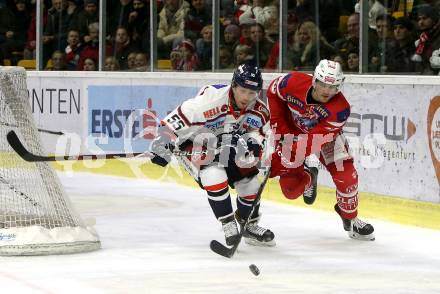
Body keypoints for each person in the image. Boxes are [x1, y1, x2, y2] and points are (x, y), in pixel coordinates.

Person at [150, 63, 275, 247]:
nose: (247, 97)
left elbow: (260, 135)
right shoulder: (209, 101)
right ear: (233, 86)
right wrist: (161, 143)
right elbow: (171, 124)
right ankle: (228, 223)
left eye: (252, 92)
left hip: (225, 147)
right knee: (213, 174)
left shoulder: (260, 111)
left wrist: (255, 145)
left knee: (250, 183)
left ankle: (248, 224)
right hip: (195, 143)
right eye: (243, 90)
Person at [266, 59, 375, 241]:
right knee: (290, 191)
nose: (326, 91)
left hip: (324, 139)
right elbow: (272, 92)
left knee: (347, 178)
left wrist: (283, 156)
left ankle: (350, 218)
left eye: (332, 87)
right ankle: (309, 177)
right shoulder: (292, 82)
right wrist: (280, 129)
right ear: (314, 80)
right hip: (291, 132)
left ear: (339, 87)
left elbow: (312, 142)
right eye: (323, 84)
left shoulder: (340, 109)